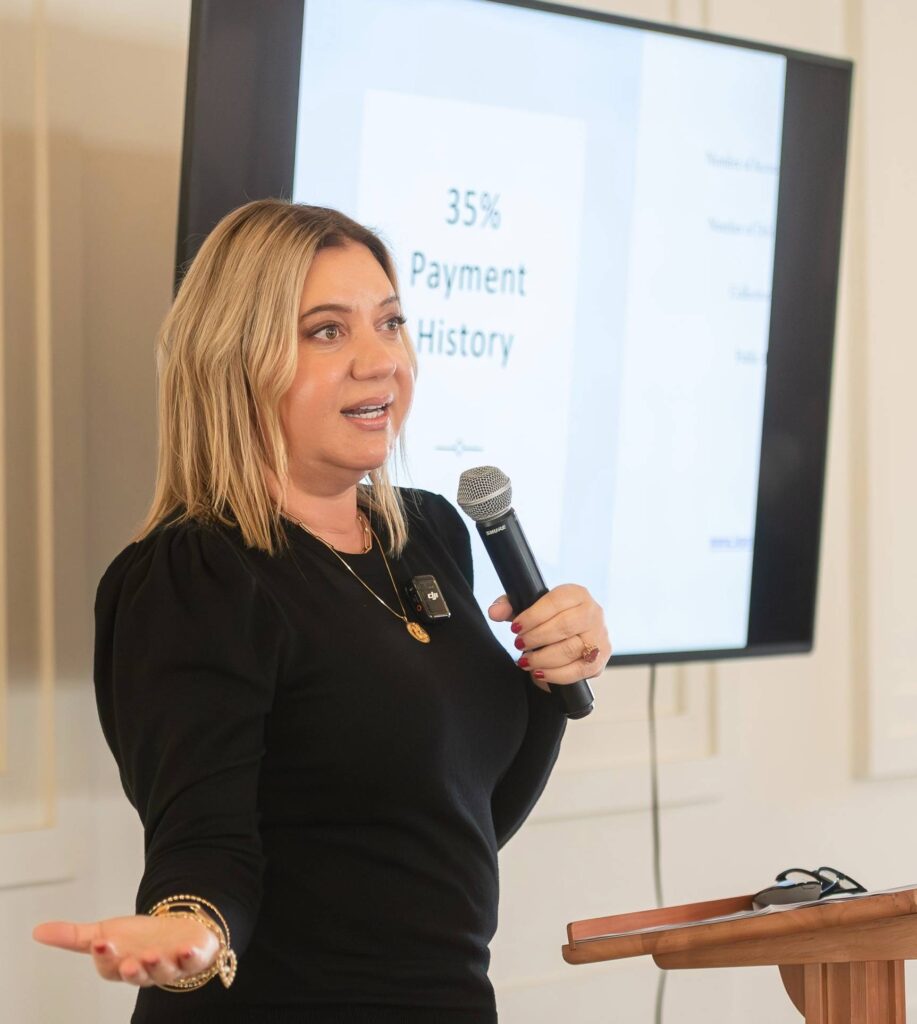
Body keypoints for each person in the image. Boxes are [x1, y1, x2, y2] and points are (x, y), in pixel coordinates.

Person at [33, 200, 611, 1023]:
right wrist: (191, 931)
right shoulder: (194, 576)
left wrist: (549, 684)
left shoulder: (427, 533)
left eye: (390, 323)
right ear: (237, 360)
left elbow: (455, 826)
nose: (380, 361)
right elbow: (204, 840)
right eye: (327, 331)